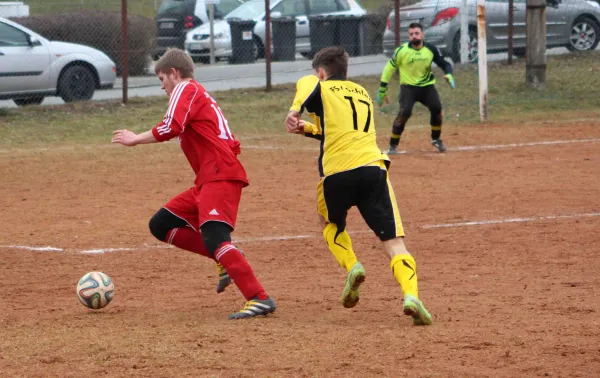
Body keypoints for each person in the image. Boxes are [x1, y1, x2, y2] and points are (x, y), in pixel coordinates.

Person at [111, 48, 275, 320]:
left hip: (218, 175)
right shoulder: (198, 94)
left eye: (162, 79)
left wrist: (135, 138)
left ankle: (259, 298)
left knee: (215, 237)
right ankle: (225, 258)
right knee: (160, 224)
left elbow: (171, 126)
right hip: (210, 177)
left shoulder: (185, 90)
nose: (162, 87)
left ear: (174, 74)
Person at [285, 46, 432, 325]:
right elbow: (342, 131)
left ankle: (353, 266)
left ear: (321, 72)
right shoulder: (362, 93)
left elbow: (307, 84)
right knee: (394, 243)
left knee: (330, 224)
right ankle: (411, 295)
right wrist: (307, 128)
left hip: (337, 173)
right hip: (373, 168)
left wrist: (294, 110)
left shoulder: (320, 86)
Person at [376, 22, 455, 154]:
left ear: (422, 34)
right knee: (404, 113)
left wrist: (449, 75)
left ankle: (436, 139)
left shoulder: (430, 49)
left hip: (427, 86)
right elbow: (389, 69)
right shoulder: (401, 51)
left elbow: (445, 64)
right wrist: (382, 89)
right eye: (411, 34)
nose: (414, 36)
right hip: (408, 88)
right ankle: (393, 146)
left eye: (417, 33)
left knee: (437, 109)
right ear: (409, 36)